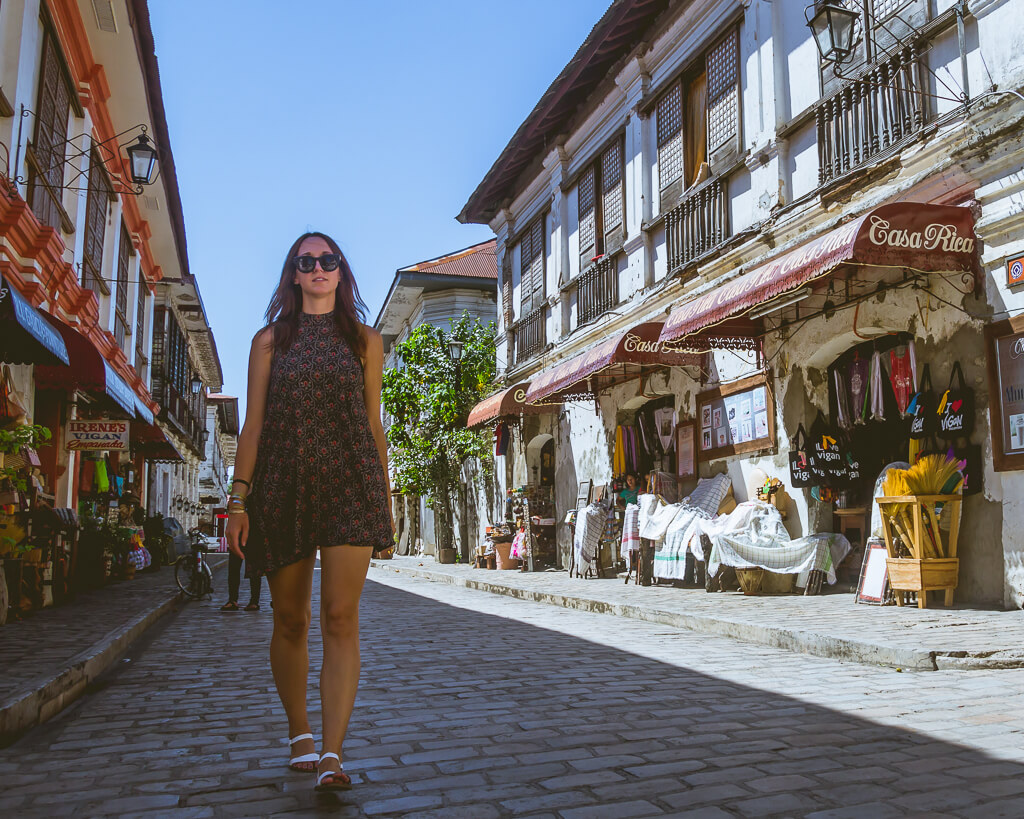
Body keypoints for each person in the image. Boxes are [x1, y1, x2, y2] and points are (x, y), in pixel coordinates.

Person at [226, 232, 394, 793]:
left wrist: (384, 500)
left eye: (328, 261)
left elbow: (373, 425)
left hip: (349, 485)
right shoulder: (270, 341)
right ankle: (299, 731)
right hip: (282, 487)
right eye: (307, 262)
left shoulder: (366, 342)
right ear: (294, 275)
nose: (319, 268)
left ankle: (332, 752)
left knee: (341, 618)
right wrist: (238, 498)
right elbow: (253, 424)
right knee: (291, 619)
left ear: (342, 272)